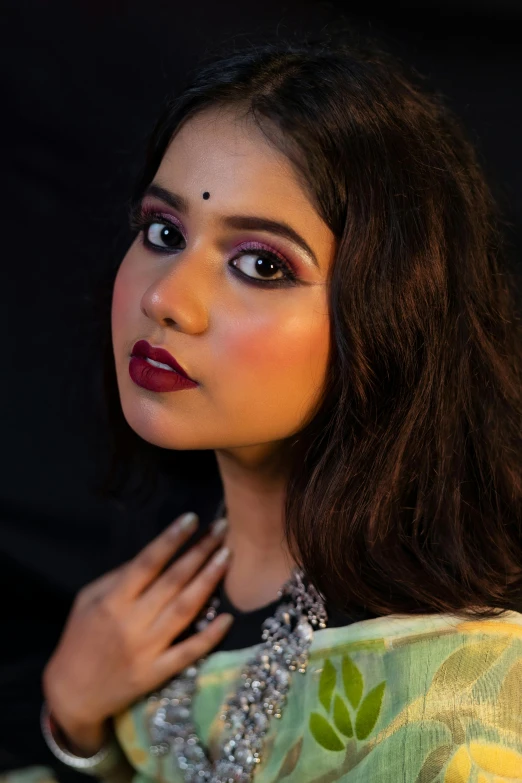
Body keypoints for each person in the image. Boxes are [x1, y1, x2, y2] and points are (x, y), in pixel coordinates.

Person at [38, 29, 522, 783]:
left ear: (390, 311)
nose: (166, 298)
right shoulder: (131, 572)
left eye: (260, 264)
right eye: (163, 232)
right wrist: (73, 719)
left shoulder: (458, 684)